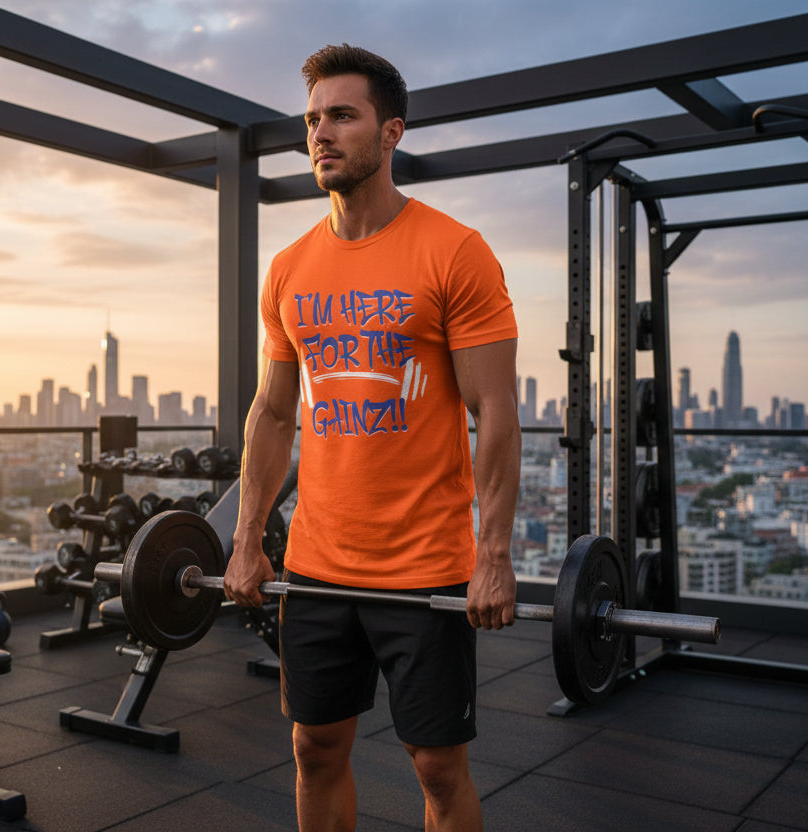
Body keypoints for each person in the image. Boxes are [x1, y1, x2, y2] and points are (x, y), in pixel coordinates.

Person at [225, 43, 521, 832]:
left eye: (342, 116)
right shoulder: (290, 268)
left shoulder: (454, 251)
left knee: (435, 766)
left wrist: (492, 553)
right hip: (318, 564)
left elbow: (494, 410)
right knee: (314, 748)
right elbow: (274, 413)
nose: (321, 134)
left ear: (391, 132)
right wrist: (248, 538)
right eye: (314, 119)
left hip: (425, 566)